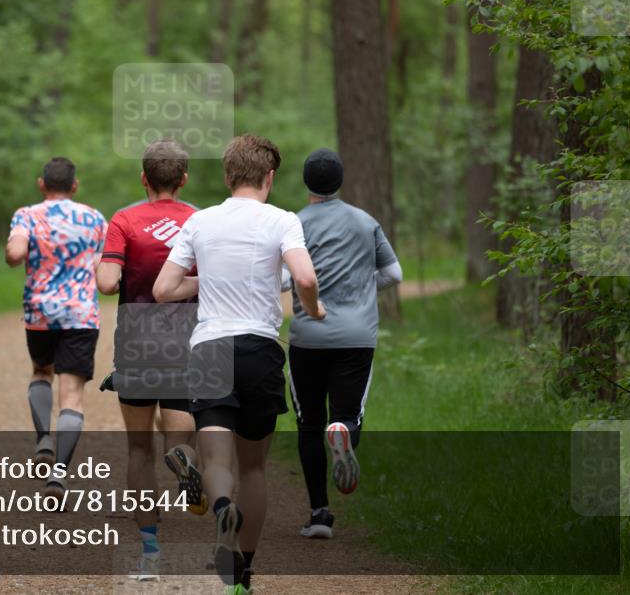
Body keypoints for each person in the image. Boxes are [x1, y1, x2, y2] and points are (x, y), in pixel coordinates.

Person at [153, 134, 325, 594]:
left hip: (209, 347)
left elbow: (163, 289)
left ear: (228, 177)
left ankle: (222, 504)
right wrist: (315, 307)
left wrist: (205, 281)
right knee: (254, 468)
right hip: (259, 350)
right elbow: (304, 276)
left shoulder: (201, 222)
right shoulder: (283, 220)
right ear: (269, 178)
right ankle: (243, 575)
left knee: (215, 460)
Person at [96, 139, 204, 582]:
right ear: (183, 178)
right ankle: (185, 461)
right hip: (186, 342)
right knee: (180, 434)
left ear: (144, 178)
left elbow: (106, 283)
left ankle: (150, 549)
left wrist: (117, 268)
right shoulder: (200, 220)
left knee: (138, 448)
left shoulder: (123, 220)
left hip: (136, 345)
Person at [287, 148, 402, 540]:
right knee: (348, 413)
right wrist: (362, 289)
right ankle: (345, 432)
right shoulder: (365, 221)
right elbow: (393, 273)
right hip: (357, 336)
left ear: (306, 182)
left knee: (307, 424)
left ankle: (319, 513)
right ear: (340, 181)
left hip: (307, 338)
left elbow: (286, 281)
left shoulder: (294, 224)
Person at [5, 157, 107, 498]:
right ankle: (59, 474)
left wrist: (13, 251)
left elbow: (16, 252)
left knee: (41, 372)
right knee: (73, 395)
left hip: (41, 313)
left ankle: (43, 440)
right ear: (74, 186)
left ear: (41, 184)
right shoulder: (94, 218)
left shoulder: (27, 215)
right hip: (81, 313)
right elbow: (103, 267)